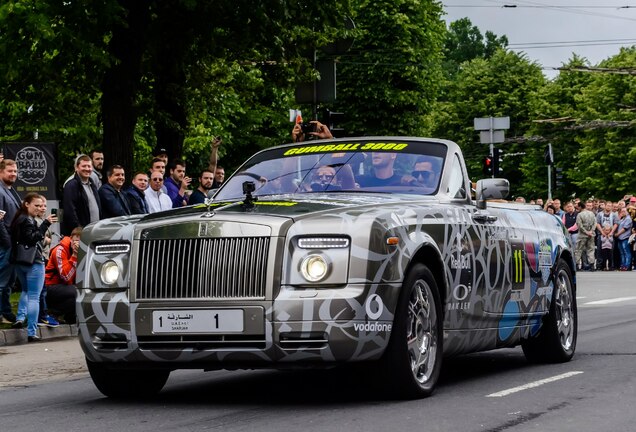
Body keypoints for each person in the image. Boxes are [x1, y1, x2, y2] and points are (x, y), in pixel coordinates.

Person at [10, 193, 57, 342]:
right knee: (34, 297)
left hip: (19, 261)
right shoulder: (28, 220)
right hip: (33, 261)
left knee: (25, 290)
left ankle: (20, 317)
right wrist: (46, 224)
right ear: (26, 204)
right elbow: (32, 238)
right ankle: (31, 332)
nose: (39, 208)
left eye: (40, 205)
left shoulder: (17, 219)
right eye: (36, 205)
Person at [45, 227, 82, 323]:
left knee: (84, 291)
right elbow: (66, 277)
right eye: (75, 241)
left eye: (80, 242)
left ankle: (71, 318)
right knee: (76, 291)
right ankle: (52, 312)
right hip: (50, 286)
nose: (77, 244)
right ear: (70, 239)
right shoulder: (60, 250)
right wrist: (74, 256)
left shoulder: (84, 252)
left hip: (66, 287)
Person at [0, 159, 22, 323]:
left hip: (13, 243)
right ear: (1, 172)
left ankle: (6, 311)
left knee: (9, 281)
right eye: (10, 171)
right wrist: (8, 243)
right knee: (2, 281)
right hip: (5, 243)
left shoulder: (11, 190)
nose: (13, 174)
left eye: (15, 171)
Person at [62, 154, 101, 236]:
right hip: (80, 234)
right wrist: (79, 231)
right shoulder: (71, 185)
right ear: (76, 168)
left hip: (95, 231)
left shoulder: (92, 184)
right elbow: (70, 211)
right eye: (84, 166)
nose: (87, 169)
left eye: (89, 166)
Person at [575, 200, 597, 271]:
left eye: (578, 207)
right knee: (591, 249)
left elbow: (579, 225)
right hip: (591, 234)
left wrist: (586, 232)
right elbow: (595, 223)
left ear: (580, 207)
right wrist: (591, 231)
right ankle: (592, 265)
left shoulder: (580, 215)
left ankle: (577, 265)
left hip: (582, 235)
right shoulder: (592, 214)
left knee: (578, 249)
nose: (577, 208)